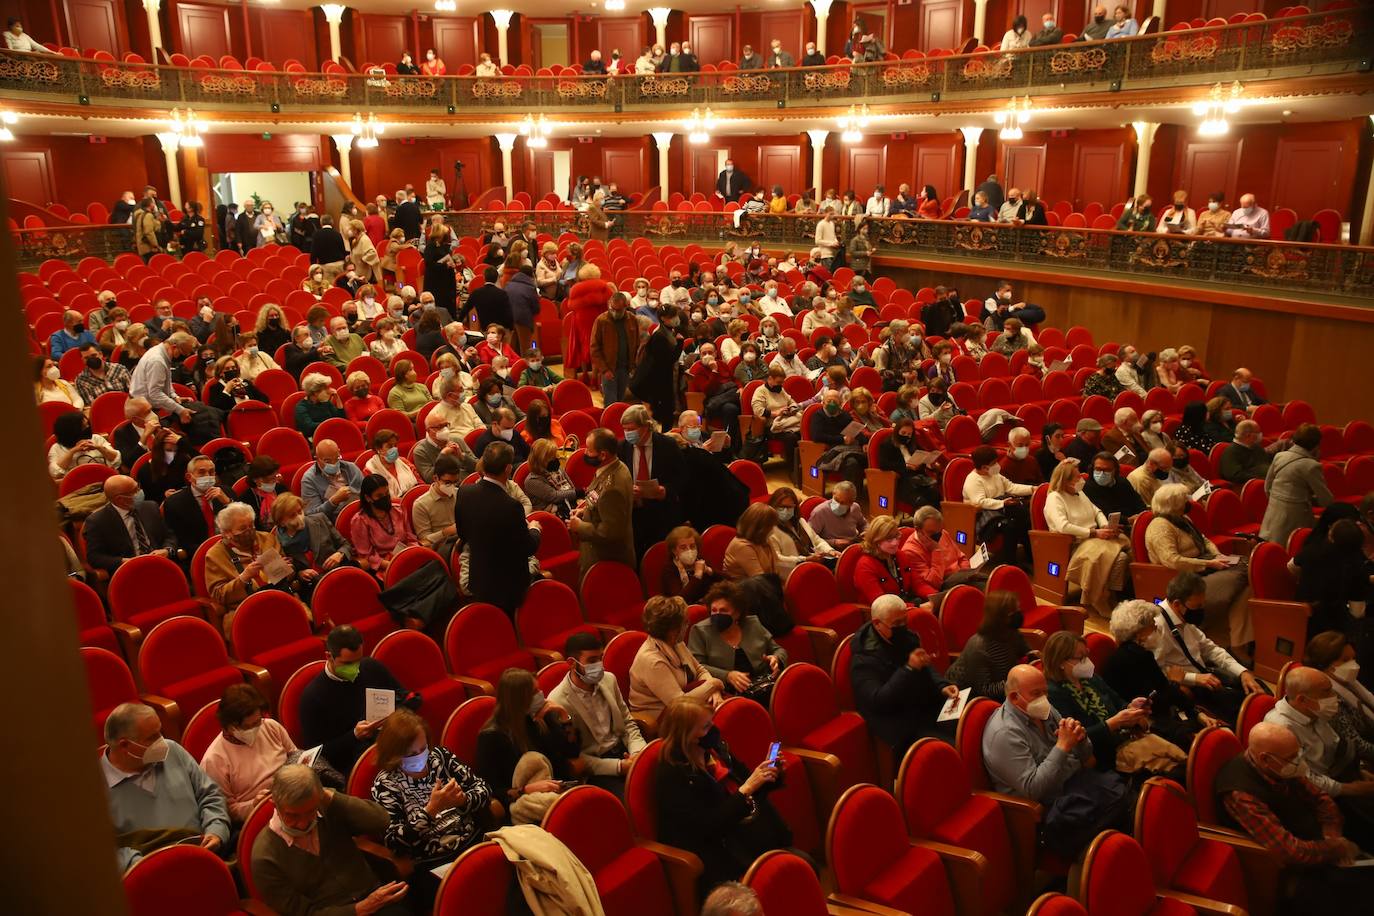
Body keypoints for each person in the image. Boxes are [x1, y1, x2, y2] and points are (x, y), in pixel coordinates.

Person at [1216, 722, 1374, 913]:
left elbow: (1322, 800)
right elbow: (1290, 852)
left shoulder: (1281, 762)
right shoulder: (1240, 794)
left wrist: (1332, 835)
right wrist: (1336, 848)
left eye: (1298, 752)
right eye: (1293, 757)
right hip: (1286, 868)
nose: (1299, 760)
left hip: (1316, 840)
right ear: (1265, 759)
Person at [654, 696, 790, 897]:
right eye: (706, 727)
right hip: (718, 853)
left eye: (711, 722)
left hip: (743, 832)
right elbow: (706, 827)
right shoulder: (672, 774)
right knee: (780, 883)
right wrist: (746, 789)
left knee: (798, 864)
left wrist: (770, 775)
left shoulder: (715, 749)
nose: (713, 730)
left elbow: (749, 785)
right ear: (687, 736)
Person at [251, 765, 412, 916]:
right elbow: (303, 913)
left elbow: (380, 821)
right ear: (275, 804)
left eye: (310, 811)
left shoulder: (328, 808)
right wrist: (358, 909)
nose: (303, 823)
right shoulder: (265, 856)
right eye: (292, 815)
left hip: (375, 898)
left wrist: (330, 797)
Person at [369, 707, 490, 894]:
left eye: (423, 749)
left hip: (472, 842)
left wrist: (463, 800)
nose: (419, 757)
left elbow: (483, 789)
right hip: (432, 862)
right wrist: (431, 810)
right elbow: (394, 841)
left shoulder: (440, 758)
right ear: (394, 754)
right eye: (410, 754)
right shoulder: (385, 784)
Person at [103, 702, 231, 871]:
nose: (162, 742)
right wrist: (144, 866)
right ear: (125, 745)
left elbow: (210, 795)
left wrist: (216, 830)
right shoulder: (94, 788)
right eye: (152, 737)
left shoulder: (173, 751)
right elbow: (102, 849)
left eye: (160, 732)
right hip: (153, 875)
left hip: (206, 854)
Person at [1044, 630, 1187, 780]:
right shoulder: (1054, 694)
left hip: (1128, 736)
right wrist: (1113, 723)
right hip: (1105, 752)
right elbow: (1076, 738)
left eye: (1087, 655)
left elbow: (1117, 700)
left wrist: (1130, 707)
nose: (1087, 662)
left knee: (1182, 752)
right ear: (1061, 662)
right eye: (1081, 658)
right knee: (1175, 772)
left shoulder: (1089, 678)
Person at [1263, 667, 1374, 848]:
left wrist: (1359, 772)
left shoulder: (1316, 711)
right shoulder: (1281, 729)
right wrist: (1353, 789)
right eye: (1326, 692)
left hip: (1339, 778)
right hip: (1316, 797)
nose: (1335, 697)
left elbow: (1337, 747)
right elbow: (1306, 779)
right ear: (1302, 700)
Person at [851, 594, 961, 755]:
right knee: (951, 749)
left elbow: (925, 666)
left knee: (969, 725)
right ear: (877, 624)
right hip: (900, 722)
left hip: (924, 705)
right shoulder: (863, 660)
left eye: (904, 621)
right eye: (897, 624)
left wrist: (941, 685)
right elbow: (880, 701)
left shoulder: (906, 636)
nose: (903, 627)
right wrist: (908, 669)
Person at [1153, 571, 1262, 724]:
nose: (1201, 610)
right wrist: (1195, 678)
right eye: (1197, 606)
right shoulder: (1157, 627)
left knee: (1257, 688)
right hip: (1191, 687)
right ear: (1177, 604)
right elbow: (1157, 671)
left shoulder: (1183, 617)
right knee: (1242, 711)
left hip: (1206, 674)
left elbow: (1212, 650)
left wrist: (1242, 672)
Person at [474, 668, 580, 824]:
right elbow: (490, 790)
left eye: (539, 689)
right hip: (524, 806)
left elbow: (572, 752)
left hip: (557, 791)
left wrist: (564, 716)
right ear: (518, 700)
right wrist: (526, 790)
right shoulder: (492, 736)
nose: (540, 695)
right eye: (534, 692)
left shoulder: (540, 716)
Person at [453, 441, 541, 616]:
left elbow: (463, 533)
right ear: (508, 469)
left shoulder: (464, 493)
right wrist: (534, 529)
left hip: (480, 579)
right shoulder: (511, 506)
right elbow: (528, 548)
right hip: (508, 586)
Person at [200, 684, 297, 824]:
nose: (256, 728)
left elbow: (294, 754)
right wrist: (254, 804)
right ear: (231, 726)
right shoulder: (214, 760)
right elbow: (228, 811)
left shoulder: (270, 726)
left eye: (258, 722)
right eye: (248, 726)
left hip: (293, 792)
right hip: (259, 816)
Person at [1044, 458, 1129, 617]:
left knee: (1125, 551)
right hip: (1074, 543)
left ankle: (1110, 593)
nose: (1081, 480)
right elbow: (1063, 527)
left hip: (1093, 537)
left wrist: (1104, 526)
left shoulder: (1079, 492)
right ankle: (1099, 597)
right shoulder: (1054, 498)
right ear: (1065, 481)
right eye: (1077, 478)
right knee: (1119, 558)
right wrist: (1094, 532)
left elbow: (1096, 511)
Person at [689, 582, 787, 700]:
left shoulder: (752, 624)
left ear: (737, 613)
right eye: (714, 610)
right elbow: (697, 667)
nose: (717, 615)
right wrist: (727, 675)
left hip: (763, 684)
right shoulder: (700, 631)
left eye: (724, 611)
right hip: (728, 691)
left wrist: (776, 658)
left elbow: (779, 650)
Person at [630, 596, 725, 716]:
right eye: (685, 623)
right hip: (664, 717)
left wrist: (713, 691)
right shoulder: (652, 661)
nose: (687, 625)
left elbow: (699, 671)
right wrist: (714, 684)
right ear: (674, 630)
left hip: (688, 702)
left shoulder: (676, 643)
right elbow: (678, 704)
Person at [1294, 509, 1371, 637]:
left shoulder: (1313, 550)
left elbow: (1291, 567)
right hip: (1332, 633)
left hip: (1300, 619)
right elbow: (1357, 613)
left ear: (1331, 536)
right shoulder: (1355, 566)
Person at [570, 428, 636, 575]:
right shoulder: (614, 467)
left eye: (589, 450)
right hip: (599, 554)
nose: (585, 453)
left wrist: (580, 527)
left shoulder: (612, 487)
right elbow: (602, 505)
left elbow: (610, 532)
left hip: (607, 560)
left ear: (603, 454)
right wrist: (584, 511)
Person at [947, 591, 1032, 701]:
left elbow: (1026, 652)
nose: (1019, 614)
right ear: (1000, 618)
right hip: (965, 695)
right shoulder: (979, 647)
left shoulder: (1012, 632)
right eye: (1014, 612)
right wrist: (1014, 682)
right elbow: (984, 690)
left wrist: (1033, 658)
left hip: (1004, 687)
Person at [82, 474, 176, 574]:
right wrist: (123, 561)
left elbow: (169, 535)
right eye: (135, 491)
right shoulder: (98, 521)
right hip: (129, 572)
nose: (140, 492)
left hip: (160, 564)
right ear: (120, 499)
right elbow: (94, 557)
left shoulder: (150, 507)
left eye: (138, 487)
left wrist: (167, 550)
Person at [1305, 632, 1374, 765]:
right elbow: (1357, 746)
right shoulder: (1329, 698)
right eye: (1345, 660)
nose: (1353, 664)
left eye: (1353, 658)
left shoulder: (1350, 682)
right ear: (1326, 664)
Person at [1260, 423, 1333, 546]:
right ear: (1316, 445)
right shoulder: (1311, 466)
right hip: (1295, 520)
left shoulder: (1279, 456)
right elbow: (1326, 500)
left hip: (1272, 515)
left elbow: (1267, 487)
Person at [965, 444, 1035, 569]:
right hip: (984, 517)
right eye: (994, 463)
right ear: (984, 467)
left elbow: (1011, 487)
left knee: (1025, 520)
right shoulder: (973, 480)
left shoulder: (995, 474)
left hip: (1001, 511)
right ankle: (1010, 565)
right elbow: (980, 502)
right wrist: (1002, 503)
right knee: (1011, 524)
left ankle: (1031, 558)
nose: (997, 465)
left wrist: (1032, 489)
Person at [272, 492, 351, 592]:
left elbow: (346, 545)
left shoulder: (320, 519)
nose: (299, 517)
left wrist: (339, 554)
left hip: (336, 574)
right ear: (281, 522)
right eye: (292, 515)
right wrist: (300, 573)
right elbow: (284, 575)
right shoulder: (276, 541)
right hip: (311, 586)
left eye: (300, 511)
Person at [349, 473, 418, 579]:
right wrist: (392, 564)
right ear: (368, 498)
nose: (385, 498)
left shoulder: (398, 510)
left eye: (386, 493)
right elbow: (366, 555)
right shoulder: (360, 520)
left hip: (406, 557)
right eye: (379, 496)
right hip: (383, 566)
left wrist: (413, 554)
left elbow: (410, 538)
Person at [852, 516, 917, 604]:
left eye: (897, 536)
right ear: (876, 541)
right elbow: (882, 603)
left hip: (905, 604)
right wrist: (917, 607)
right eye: (889, 539)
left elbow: (918, 582)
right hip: (883, 613)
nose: (895, 543)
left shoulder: (900, 555)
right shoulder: (865, 566)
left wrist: (932, 597)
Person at [46, 412, 118, 480]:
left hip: (103, 480)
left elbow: (117, 460)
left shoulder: (96, 438)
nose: (87, 428)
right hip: (76, 487)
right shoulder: (56, 448)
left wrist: (98, 447)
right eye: (83, 427)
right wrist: (73, 451)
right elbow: (55, 473)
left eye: (87, 424)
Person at [364, 429, 420, 500]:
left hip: (414, 499)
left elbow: (420, 484)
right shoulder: (370, 470)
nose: (394, 449)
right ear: (378, 449)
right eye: (389, 446)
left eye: (395, 445)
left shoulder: (404, 462)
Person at [294, 372, 346, 442]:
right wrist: (331, 423)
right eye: (325, 389)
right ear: (315, 392)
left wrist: (337, 398)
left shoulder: (325, 402)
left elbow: (341, 418)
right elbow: (309, 427)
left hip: (333, 435)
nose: (328, 391)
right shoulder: (301, 407)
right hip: (316, 439)